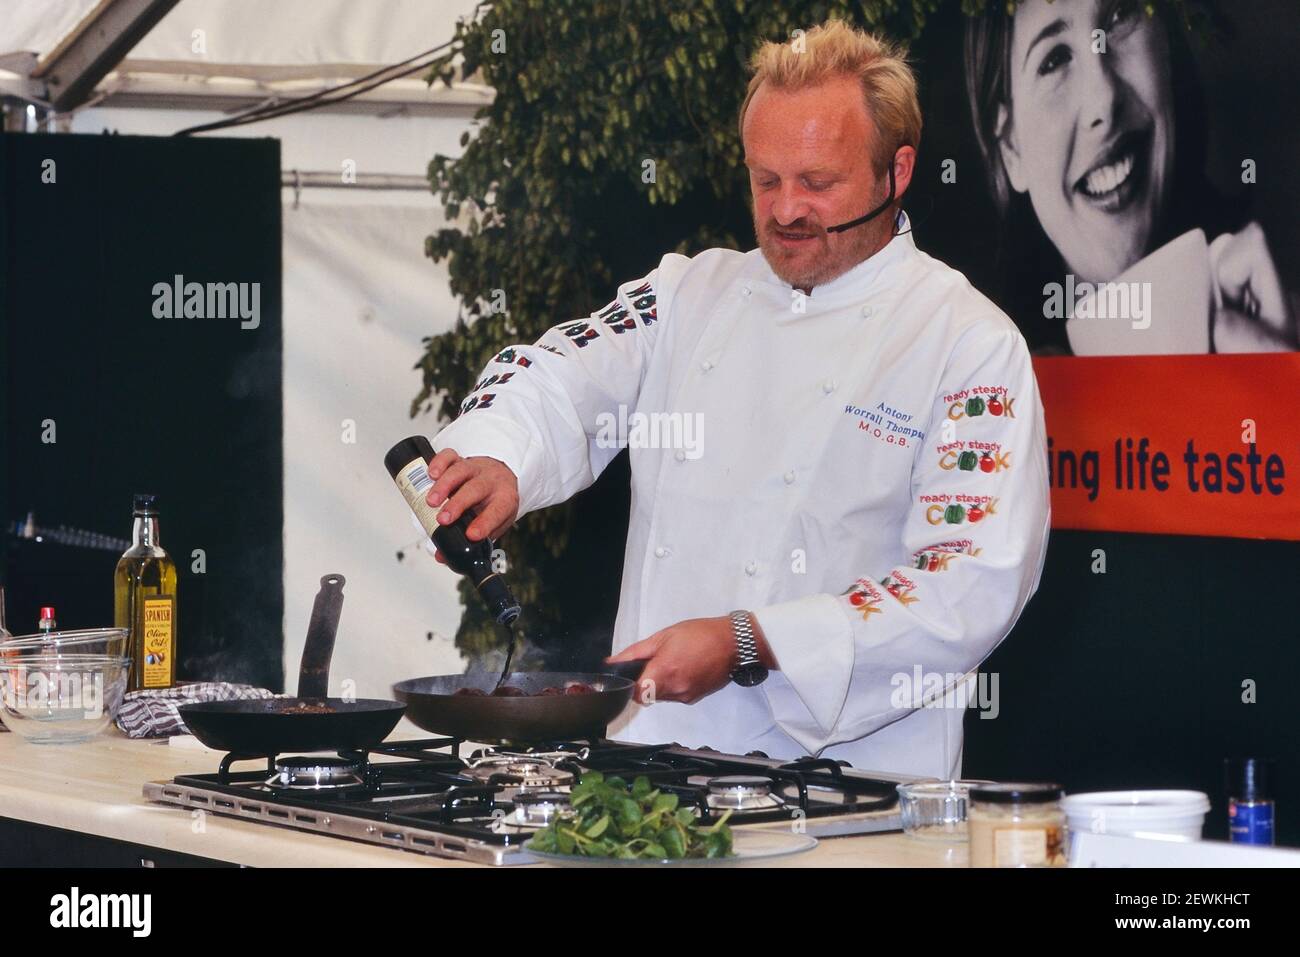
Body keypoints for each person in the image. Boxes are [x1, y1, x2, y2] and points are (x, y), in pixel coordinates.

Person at [420, 21, 1050, 778]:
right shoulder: (688, 293)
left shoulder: (967, 343)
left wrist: (750, 641)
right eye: (765, 179)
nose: (785, 210)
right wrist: (500, 456)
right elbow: (560, 372)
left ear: (897, 171)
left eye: (818, 183)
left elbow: (966, 581)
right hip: (652, 770)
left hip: (852, 790)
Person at [965, 0, 1296, 354]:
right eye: (1054, 60)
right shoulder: (982, 376)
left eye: (1119, 16)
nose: (1104, 98)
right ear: (1011, 149)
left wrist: (1280, 384)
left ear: (1167, 47)